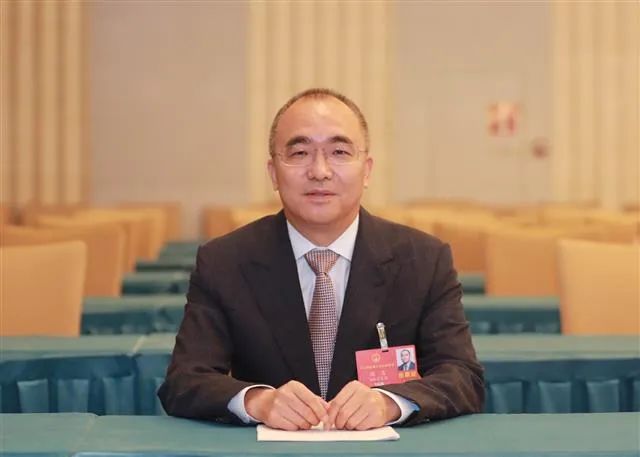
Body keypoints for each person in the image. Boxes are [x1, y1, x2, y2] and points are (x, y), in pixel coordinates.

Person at [158, 88, 484, 431]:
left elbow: (462, 376)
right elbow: (184, 380)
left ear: (367, 170)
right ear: (273, 173)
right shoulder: (225, 262)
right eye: (300, 153)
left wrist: (390, 402)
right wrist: (259, 401)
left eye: (339, 152)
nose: (320, 170)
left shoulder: (423, 260)